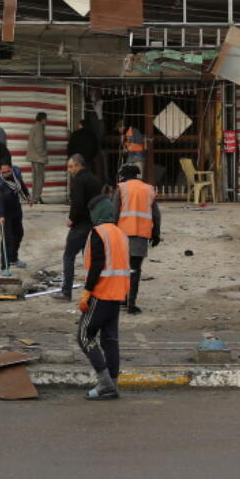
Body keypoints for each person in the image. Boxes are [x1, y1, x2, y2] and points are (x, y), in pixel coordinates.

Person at [77, 194, 131, 400]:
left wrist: (86, 291)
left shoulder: (98, 232)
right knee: (110, 340)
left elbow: (97, 265)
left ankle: (105, 383)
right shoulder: (120, 233)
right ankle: (113, 382)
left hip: (101, 293)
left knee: (84, 336)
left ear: (97, 212)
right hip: (117, 294)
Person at [113, 164, 161, 315]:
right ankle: (131, 304)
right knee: (135, 269)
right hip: (140, 235)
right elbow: (156, 215)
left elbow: (113, 213)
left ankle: (122, 299)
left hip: (122, 234)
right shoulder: (148, 189)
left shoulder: (121, 188)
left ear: (123, 175)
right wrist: (156, 233)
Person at [57, 154, 101, 302]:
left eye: (71, 167)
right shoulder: (95, 179)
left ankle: (66, 292)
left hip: (81, 224)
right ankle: (93, 291)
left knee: (68, 256)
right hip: (94, 223)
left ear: (78, 165)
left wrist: (72, 219)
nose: (69, 170)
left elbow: (77, 203)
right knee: (88, 259)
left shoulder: (78, 181)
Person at [0, 161, 29, 277]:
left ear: (11, 169)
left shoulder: (15, 176)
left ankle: (13, 258)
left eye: (8, 171)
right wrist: (1, 216)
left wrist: (27, 196)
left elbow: (21, 186)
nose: (6, 173)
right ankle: (5, 266)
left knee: (19, 234)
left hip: (15, 209)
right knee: (6, 239)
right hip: (4, 212)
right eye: (4, 172)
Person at [25, 112, 49, 205]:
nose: (46, 121)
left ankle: (34, 198)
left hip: (33, 157)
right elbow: (39, 144)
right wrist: (43, 155)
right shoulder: (39, 128)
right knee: (40, 179)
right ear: (43, 119)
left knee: (35, 179)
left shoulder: (34, 127)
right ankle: (37, 198)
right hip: (38, 158)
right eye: (46, 119)